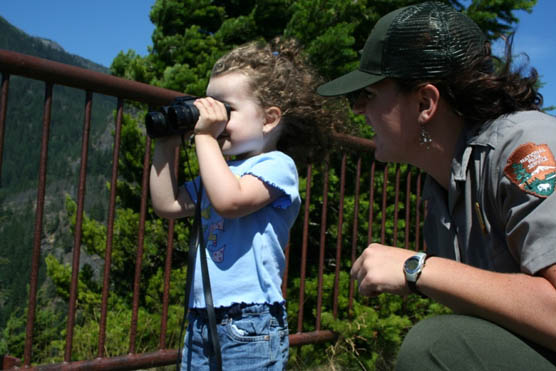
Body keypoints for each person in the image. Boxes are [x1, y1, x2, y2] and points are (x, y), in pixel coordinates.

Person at [317, 2, 556, 370]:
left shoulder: (526, 149)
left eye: (367, 95)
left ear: (425, 103)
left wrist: (418, 268)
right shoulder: (442, 187)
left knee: (436, 346)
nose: (358, 109)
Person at [150, 38, 342, 370]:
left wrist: (205, 137)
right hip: (202, 315)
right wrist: (165, 146)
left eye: (226, 110)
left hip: (250, 321)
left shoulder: (277, 167)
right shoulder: (221, 172)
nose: (215, 119)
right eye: (209, 107)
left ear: (269, 119)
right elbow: (167, 204)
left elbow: (229, 201)